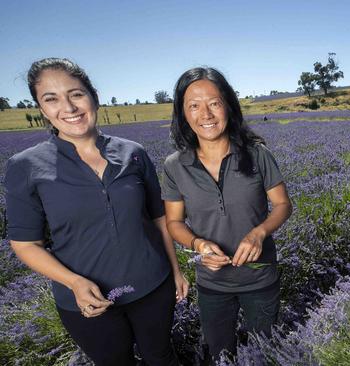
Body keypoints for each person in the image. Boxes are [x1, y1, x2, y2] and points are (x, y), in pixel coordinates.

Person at [4, 58, 189, 366]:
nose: (69, 107)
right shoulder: (25, 167)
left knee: (161, 357)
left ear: (93, 96)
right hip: (88, 304)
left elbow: (159, 218)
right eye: (51, 99)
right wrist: (74, 282)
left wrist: (176, 270)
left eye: (76, 94)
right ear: (42, 109)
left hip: (153, 286)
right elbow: (25, 243)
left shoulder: (134, 153)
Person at [161, 67, 292, 359]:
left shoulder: (257, 154)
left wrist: (259, 233)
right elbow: (174, 222)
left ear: (228, 106)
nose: (205, 114)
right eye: (193, 106)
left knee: (266, 351)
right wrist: (199, 244)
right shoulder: (174, 166)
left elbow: (283, 205)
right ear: (182, 114)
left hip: (260, 277)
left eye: (214, 103)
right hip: (212, 283)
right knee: (219, 353)